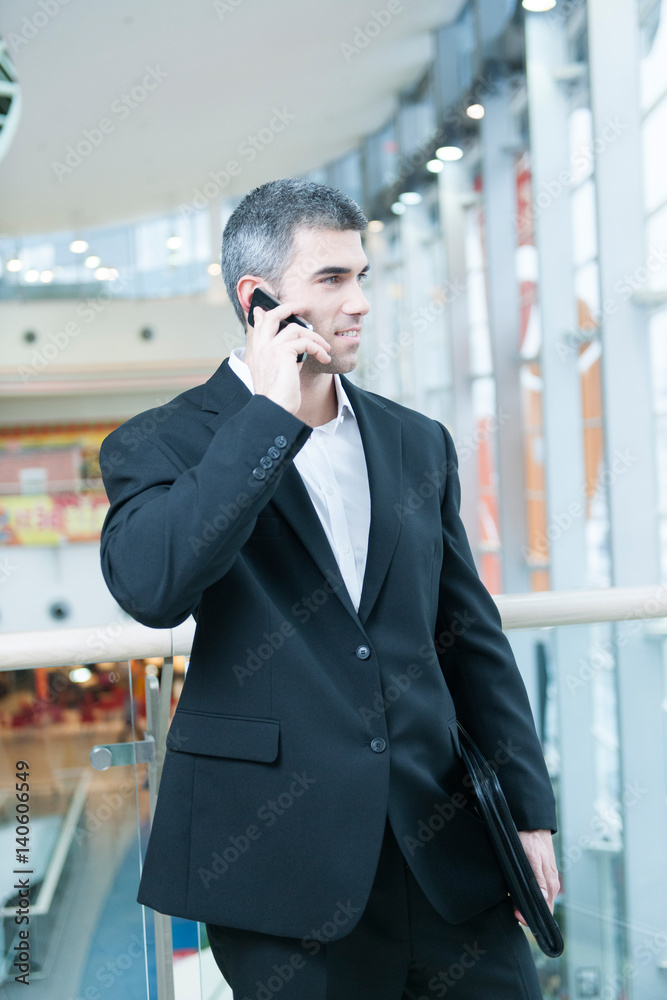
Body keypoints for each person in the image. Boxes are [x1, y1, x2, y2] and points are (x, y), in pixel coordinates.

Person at [99, 178, 560, 999]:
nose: (360, 304)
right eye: (332, 280)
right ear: (259, 301)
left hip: (446, 852)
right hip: (282, 871)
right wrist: (271, 419)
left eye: (362, 277)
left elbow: (470, 636)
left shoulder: (415, 442)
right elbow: (152, 586)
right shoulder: (163, 442)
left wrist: (528, 813)